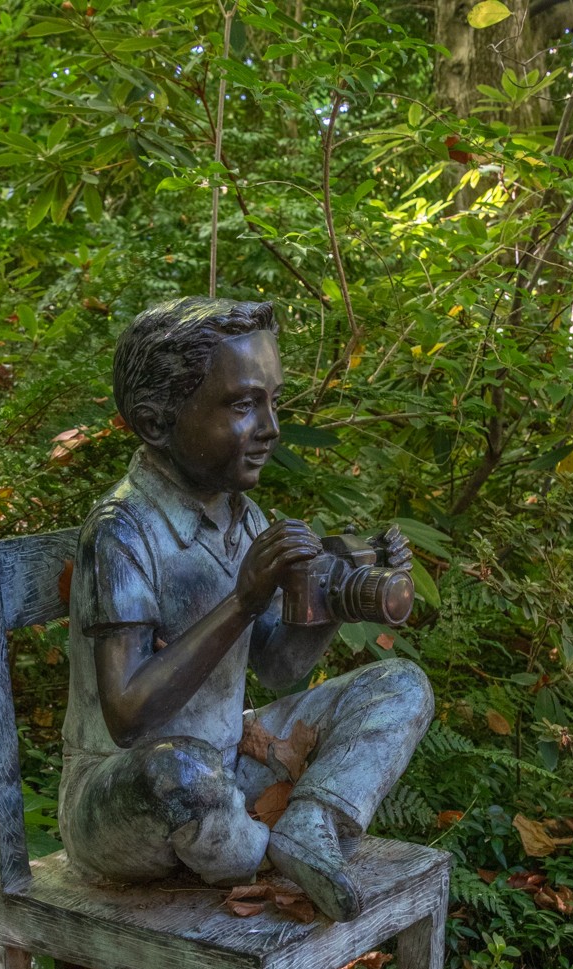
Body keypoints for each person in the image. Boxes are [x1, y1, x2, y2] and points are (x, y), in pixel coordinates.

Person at [59, 296, 434, 921]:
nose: (271, 427)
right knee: (180, 774)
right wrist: (243, 600)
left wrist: (341, 594)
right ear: (155, 423)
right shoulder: (122, 530)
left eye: (273, 401)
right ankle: (266, 851)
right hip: (125, 795)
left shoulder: (243, 518)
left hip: (227, 768)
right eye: (242, 405)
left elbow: (279, 668)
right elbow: (127, 717)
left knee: (401, 685)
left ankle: (308, 825)